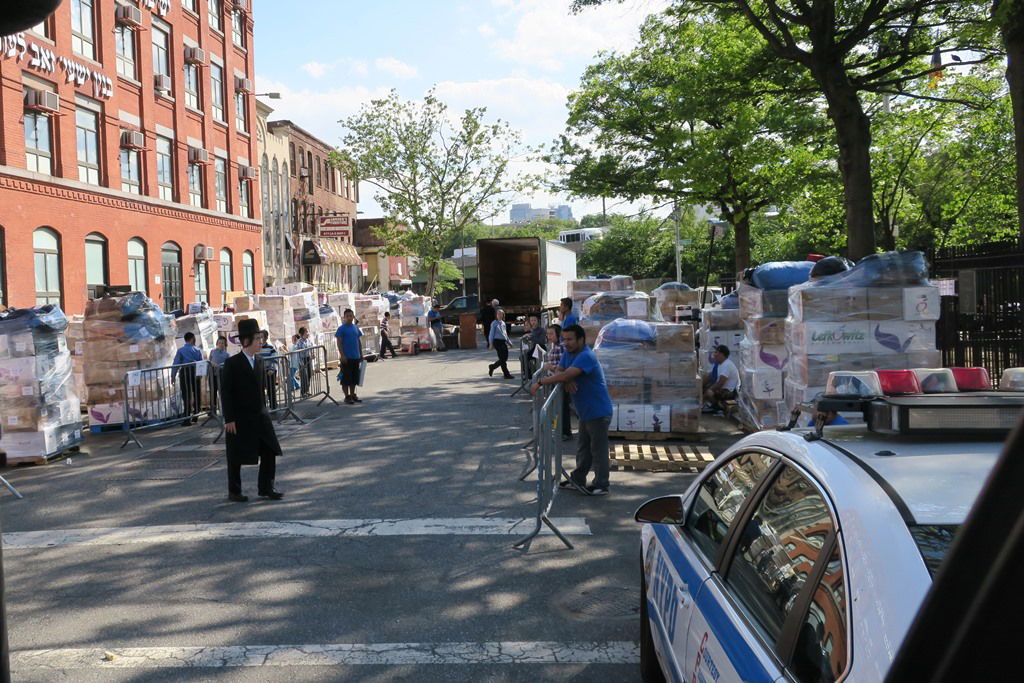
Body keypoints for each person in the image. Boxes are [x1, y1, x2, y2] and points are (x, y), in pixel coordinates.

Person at [531, 324, 613, 495]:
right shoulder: (569, 354)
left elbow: (565, 373)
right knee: (583, 448)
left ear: (581, 339)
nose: (566, 343)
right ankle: (577, 479)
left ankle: (601, 484)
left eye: (570, 339)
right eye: (564, 339)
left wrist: (541, 382)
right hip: (585, 411)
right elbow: (562, 371)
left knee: (597, 450)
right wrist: (566, 378)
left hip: (597, 411)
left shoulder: (586, 356)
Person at [220, 318, 283, 502]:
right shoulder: (233, 363)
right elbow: (226, 392)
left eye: (261, 338)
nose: (260, 342)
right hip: (239, 417)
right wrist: (229, 418)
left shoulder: (260, 361)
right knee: (235, 455)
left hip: (259, 415)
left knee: (270, 449)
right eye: (256, 339)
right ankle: (234, 491)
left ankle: (266, 487)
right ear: (246, 340)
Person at [543, 323, 572, 441]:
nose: (549, 336)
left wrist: (550, 367)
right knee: (559, 407)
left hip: (559, 382)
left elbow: (562, 367)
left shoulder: (560, 348)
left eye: (551, 334)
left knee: (562, 407)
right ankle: (562, 430)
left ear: (558, 334)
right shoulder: (554, 346)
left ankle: (565, 432)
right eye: (547, 334)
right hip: (555, 381)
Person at [172, 332, 204, 425]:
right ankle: (196, 414)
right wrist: (201, 374)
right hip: (195, 371)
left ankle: (187, 418)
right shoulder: (197, 350)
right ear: (192, 339)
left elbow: (176, 363)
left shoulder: (180, 350)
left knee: (187, 395)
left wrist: (172, 376)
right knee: (196, 393)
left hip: (185, 372)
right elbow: (201, 362)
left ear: (185, 339)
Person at [335, 308, 364, 404]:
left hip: (356, 357)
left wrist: (361, 354)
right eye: (347, 316)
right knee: (346, 379)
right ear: (344, 317)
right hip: (346, 358)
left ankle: (352, 395)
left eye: (351, 316)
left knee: (354, 378)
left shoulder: (356, 328)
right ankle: (347, 396)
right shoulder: (341, 329)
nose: (349, 318)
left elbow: (358, 341)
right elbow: (339, 342)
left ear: (353, 316)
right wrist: (342, 355)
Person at [702, 344, 740, 412]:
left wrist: (708, 391)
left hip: (729, 391)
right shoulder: (719, 364)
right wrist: (700, 385)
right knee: (704, 388)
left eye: (716, 352)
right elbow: (710, 375)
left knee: (709, 392)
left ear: (721, 354)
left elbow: (720, 383)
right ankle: (709, 404)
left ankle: (719, 406)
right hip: (722, 388)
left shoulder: (727, 365)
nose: (714, 355)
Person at [487, 308, 514, 379]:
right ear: (496, 315)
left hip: (503, 341)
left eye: (501, 314)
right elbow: (491, 334)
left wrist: (509, 342)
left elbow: (505, 334)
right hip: (497, 342)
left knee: (504, 358)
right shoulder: (494, 323)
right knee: (502, 358)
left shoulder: (503, 323)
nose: (500, 315)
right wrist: (491, 343)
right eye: (498, 313)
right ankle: (506, 374)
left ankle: (492, 366)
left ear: (503, 315)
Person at [258, 330, 278, 410]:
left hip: (269, 372)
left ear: (266, 338)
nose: (260, 339)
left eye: (261, 337)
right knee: (260, 390)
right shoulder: (256, 349)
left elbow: (275, 359)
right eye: (258, 337)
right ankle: (263, 408)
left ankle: (273, 406)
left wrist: (272, 369)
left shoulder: (271, 348)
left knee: (271, 390)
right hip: (260, 372)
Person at [209, 335, 230, 412]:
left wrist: (220, 366)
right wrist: (212, 364)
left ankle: (224, 409)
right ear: (217, 344)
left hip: (221, 376)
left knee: (222, 393)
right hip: (213, 375)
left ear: (225, 345)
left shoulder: (227, 355)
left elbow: (227, 365)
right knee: (213, 392)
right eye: (219, 343)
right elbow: (209, 361)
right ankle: (213, 410)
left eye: (223, 343)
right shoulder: (212, 352)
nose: (221, 344)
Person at [294, 327, 312, 396]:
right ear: (302, 334)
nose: (308, 333)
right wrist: (300, 363)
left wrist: (312, 354)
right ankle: (303, 392)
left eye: (308, 331)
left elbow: (311, 348)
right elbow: (298, 353)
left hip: (308, 359)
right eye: (306, 332)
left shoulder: (308, 340)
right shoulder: (299, 342)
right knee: (304, 376)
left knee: (309, 375)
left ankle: (307, 390)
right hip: (302, 360)